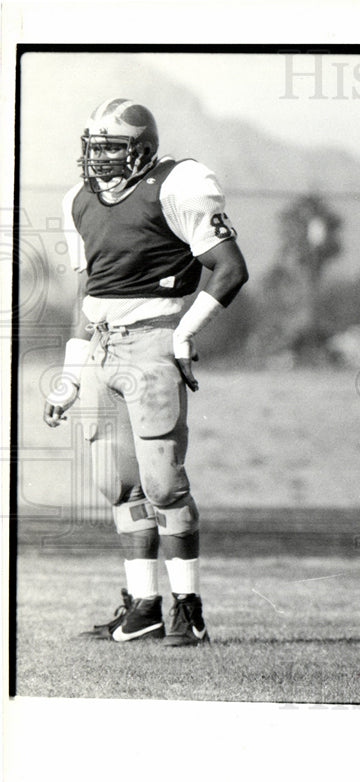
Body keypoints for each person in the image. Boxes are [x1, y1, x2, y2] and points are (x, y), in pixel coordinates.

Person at [43, 98, 249, 646]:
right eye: (94, 148)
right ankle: (143, 607)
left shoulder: (179, 184)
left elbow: (230, 269)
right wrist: (70, 371)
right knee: (116, 484)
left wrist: (184, 334)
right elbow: (88, 291)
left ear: (141, 151)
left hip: (155, 341)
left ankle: (188, 609)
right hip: (102, 351)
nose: (98, 161)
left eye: (111, 148)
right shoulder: (79, 202)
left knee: (163, 484)